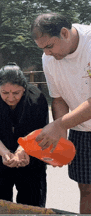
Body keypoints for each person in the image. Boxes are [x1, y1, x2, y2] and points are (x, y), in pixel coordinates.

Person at [31, 12, 91, 214]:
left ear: (65, 33)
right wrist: (61, 140)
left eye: (49, 46)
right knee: (86, 188)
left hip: (72, 122)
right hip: (81, 129)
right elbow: (58, 98)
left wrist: (59, 125)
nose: (47, 53)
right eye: (42, 48)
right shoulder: (49, 60)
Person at [0, 63, 49, 207]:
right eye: (5, 93)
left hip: (31, 157)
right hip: (0, 154)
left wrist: (24, 150)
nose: (10, 98)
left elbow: (42, 134)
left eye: (16, 93)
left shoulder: (36, 98)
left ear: (24, 89)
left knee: (32, 206)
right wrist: (6, 154)